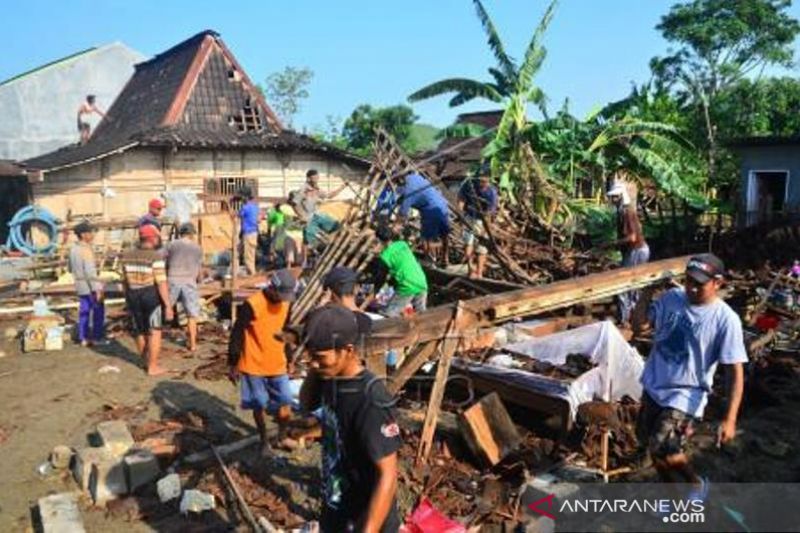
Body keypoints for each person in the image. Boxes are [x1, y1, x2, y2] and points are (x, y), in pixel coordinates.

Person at [637, 253, 746, 500]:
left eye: (699, 283)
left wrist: (730, 419)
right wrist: (646, 293)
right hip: (654, 385)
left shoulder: (725, 320)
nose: (691, 288)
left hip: (686, 393)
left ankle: (696, 484)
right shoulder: (671, 299)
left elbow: (735, 372)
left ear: (718, 283)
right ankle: (674, 496)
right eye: (688, 281)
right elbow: (639, 327)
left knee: (661, 445)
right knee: (655, 450)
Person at [300, 304, 401, 533]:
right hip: (336, 504)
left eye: (319, 357)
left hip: (365, 518)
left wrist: (368, 530)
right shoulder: (329, 376)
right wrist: (316, 368)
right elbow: (307, 404)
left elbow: (388, 473)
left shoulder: (370, 400)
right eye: (310, 356)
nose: (313, 363)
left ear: (348, 350)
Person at [228, 269, 297, 455]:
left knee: (285, 401)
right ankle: (264, 441)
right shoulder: (252, 304)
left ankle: (282, 436)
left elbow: (285, 332)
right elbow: (237, 334)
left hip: (277, 362)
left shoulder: (286, 304)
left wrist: (290, 358)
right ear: (272, 286)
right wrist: (233, 363)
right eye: (280, 294)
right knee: (258, 403)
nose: (283, 299)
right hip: (253, 363)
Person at [121, 224, 173, 376]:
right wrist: (168, 305)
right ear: (152, 238)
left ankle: (145, 360)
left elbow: (124, 280)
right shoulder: (155, 256)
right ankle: (153, 366)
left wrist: (127, 299)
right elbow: (161, 282)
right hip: (150, 294)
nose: (159, 239)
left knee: (139, 330)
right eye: (157, 236)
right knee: (154, 330)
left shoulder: (126, 255)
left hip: (132, 293)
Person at [607, 181, 650, 324]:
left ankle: (625, 319)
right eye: (611, 197)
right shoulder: (623, 211)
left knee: (624, 285)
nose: (612, 200)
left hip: (636, 250)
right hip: (637, 250)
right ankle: (633, 316)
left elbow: (632, 237)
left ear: (620, 196)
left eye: (614, 197)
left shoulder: (627, 211)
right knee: (633, 285)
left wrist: (613, 244)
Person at [369, 226, 428, 317]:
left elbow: (381, 278)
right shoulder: (402, 244)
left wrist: (375, 291)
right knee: (421, 315)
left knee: (389, 315)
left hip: (408, 284)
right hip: (421, 281)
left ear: (379, 240)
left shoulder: (385, 256)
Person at [396, 171, 450, 266]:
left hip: (430, 211)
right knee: (444, 235)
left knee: (425, 238)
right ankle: (445, 259)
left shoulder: (409, 191)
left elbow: (402, 214)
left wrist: (395, 226)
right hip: (443, 207)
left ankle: (428, 261)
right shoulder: (414, 177)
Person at [166, 222, 203, 352]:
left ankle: (155, 338)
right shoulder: (197, 248)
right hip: (189, 281)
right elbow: (199, 269)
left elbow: (162, 259)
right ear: (192, 234)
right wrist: (200, 280)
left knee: (166, 309)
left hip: (173, 279)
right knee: (191, 315)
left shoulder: (172, 245)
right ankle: (192, 344)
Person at [69, 221, 106, 346]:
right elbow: (90, 272)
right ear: (83, 234)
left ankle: (83, 337)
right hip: (90, 286)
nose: (93, 235)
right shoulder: (86, 250)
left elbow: (70, 268)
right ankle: (97, 337)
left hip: (79, 285)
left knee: (84, 312)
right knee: (98, 311)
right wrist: (98, 289)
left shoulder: (73, 249)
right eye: (90, 232)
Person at [458, 169, 498, 279]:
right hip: (469, 216)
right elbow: (461, 199)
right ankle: (471, 269)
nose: (483, 183)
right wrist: (461, 214)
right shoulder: (469, 184)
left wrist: (485, 229)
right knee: (468, 243)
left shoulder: (491, 192)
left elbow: (489, 213)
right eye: (480, 181)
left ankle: (479, 273)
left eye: (485, 181)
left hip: (483, 220)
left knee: (482, 248)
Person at [295, 169, 345, 251]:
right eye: (314, 178)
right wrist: (301, 216)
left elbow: (329, 196)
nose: (317, 180)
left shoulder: (317, 189)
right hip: (308, 219)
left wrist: (342, 187)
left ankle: (333, 242)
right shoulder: (303, 189)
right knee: (312, 241)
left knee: (336, 226)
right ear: (308, 179)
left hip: (317, 215)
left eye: (317, 178)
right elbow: (294, 203)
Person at [323, 266, 373, 337]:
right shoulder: (368, 321)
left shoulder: (327, 324)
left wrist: (321, 308)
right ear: (356, 289)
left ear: (330, 294)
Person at [238, 188, 260, 275]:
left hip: (248, 233)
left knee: (248, 256)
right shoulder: (255, 207)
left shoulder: (245, 208)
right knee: (251, 254)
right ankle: (251, 272)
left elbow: (238, 215)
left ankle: (252, 274)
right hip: (253, 232)